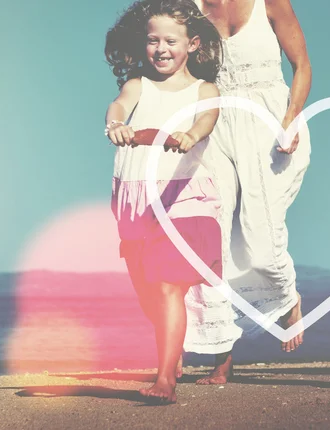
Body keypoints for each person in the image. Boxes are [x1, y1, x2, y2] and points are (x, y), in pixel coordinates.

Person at [183, 0, 312, 385]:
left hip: (268, 124)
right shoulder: (186, 8)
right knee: (213, 239)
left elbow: (302, 64)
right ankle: (221, 358)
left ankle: (286, 296)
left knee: (260, 236)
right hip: (212, 124)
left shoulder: (271, 3)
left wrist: (290, 119)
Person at [104, 0, 222, 403]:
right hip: (138, 199)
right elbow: (119, 105)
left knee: (169, 286)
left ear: (192, 44)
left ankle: (165, 381)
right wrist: (117, 124)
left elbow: (207, 118)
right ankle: (173, 356)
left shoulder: (204, 89)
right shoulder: (138, 85)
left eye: (170, 40)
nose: (161, 48)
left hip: (185, 196)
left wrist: (193, 134)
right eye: (153, 40)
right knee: (147, 290)